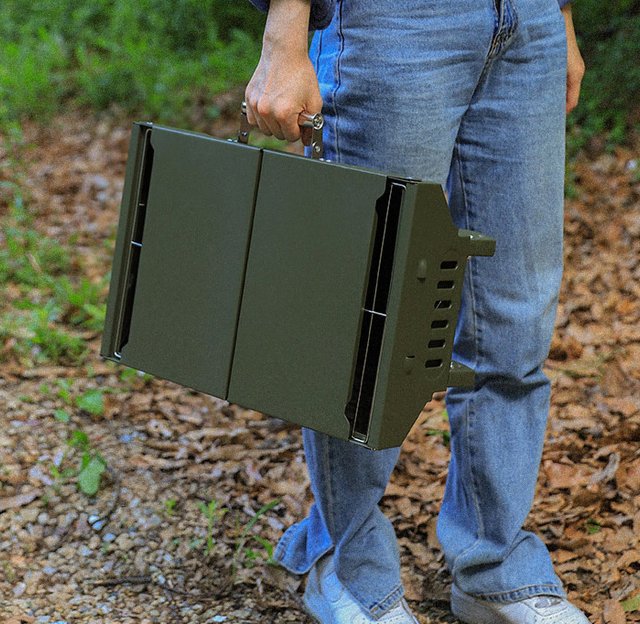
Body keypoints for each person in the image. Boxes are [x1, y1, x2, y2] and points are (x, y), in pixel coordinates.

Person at [243, 0, 586, 622]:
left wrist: (558, 15)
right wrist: (283, 33)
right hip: (392, 22)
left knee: (513, 318)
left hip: (526, 22)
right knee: (371, 313)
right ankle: (346, 565)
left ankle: (494, 565)